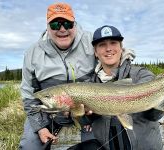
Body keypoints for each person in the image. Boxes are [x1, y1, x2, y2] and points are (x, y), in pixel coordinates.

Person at [80, 25, 164, 150]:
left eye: (113, 43)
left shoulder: (142, 74)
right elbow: (84, 123)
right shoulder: (88, 84)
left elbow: (153, 116)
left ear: (121, 48)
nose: (108, 48)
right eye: (102, 45)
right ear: (95, 52)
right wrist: (87, 114)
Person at [19, 2, 97, 150]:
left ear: (74, 24)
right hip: (48, 114)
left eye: (67, 24)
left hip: (89, 112)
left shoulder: (92, 41)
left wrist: (124, 54)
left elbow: (113, 53)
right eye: (55, 25)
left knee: (98, 142)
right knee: (29, 145)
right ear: (47, 27)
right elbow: (29, 95)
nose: (62, 29)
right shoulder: (32, 53)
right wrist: (40, 127)